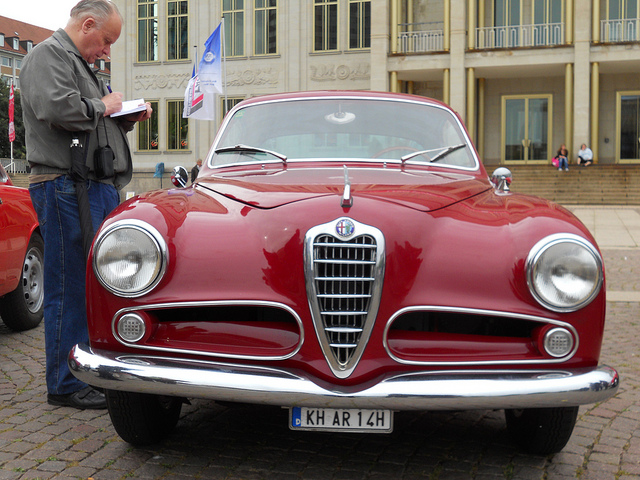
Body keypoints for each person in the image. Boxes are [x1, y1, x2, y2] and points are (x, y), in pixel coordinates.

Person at [20, 0, 152, 409]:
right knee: (69, 284)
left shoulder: (76, 62)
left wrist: (123, 117)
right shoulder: (47, 56)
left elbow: (87, 119)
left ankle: (84, 371)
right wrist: (104, 106)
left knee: (92, 282)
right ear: (88, 24)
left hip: (89, 185)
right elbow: (57, 109)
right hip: (65, 185)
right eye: (106, 41)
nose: (107, 51)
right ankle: (65, 384)